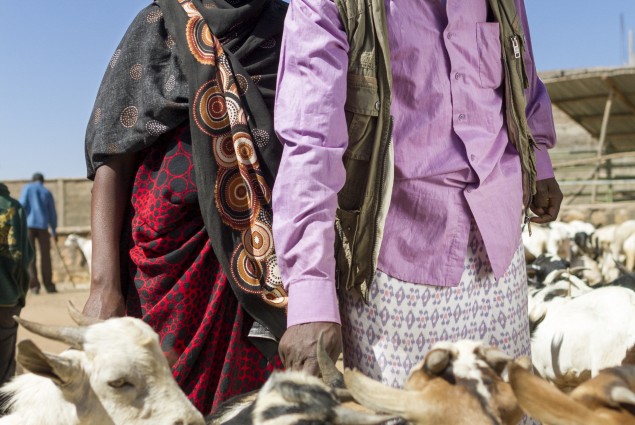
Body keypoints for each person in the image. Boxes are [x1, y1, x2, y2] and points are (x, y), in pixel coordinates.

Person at [272, 0, 562, 413]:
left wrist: (540, 162)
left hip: (499, 253)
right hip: (397, 267)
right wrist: (311, 294)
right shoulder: (330, 5)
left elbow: (521, 73)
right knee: (411, 416)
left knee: (505, 409)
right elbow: (311, 145)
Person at [83, 0, 290, 414]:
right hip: (165, 269)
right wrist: (103, 286)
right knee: (163, 404)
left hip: (261, 260)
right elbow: (112, 154)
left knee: (247, 409)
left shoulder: (290, 25)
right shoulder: (158, 24)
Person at [0, 183, 33, 388]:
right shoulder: (14, 208)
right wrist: (20, 294)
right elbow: (22, 258)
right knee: (4, 368)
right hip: (6, 297)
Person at [19, 173, 58, 294]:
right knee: (46, 256)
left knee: (31, 256)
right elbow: (52, 212)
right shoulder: (46, 192)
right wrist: (53, 230)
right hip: (43, 227)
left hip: (28, 226)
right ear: (42, 181)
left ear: (33, 180)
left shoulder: (27, 188)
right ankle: (49, 286)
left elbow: (21, 205)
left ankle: (34, 286)